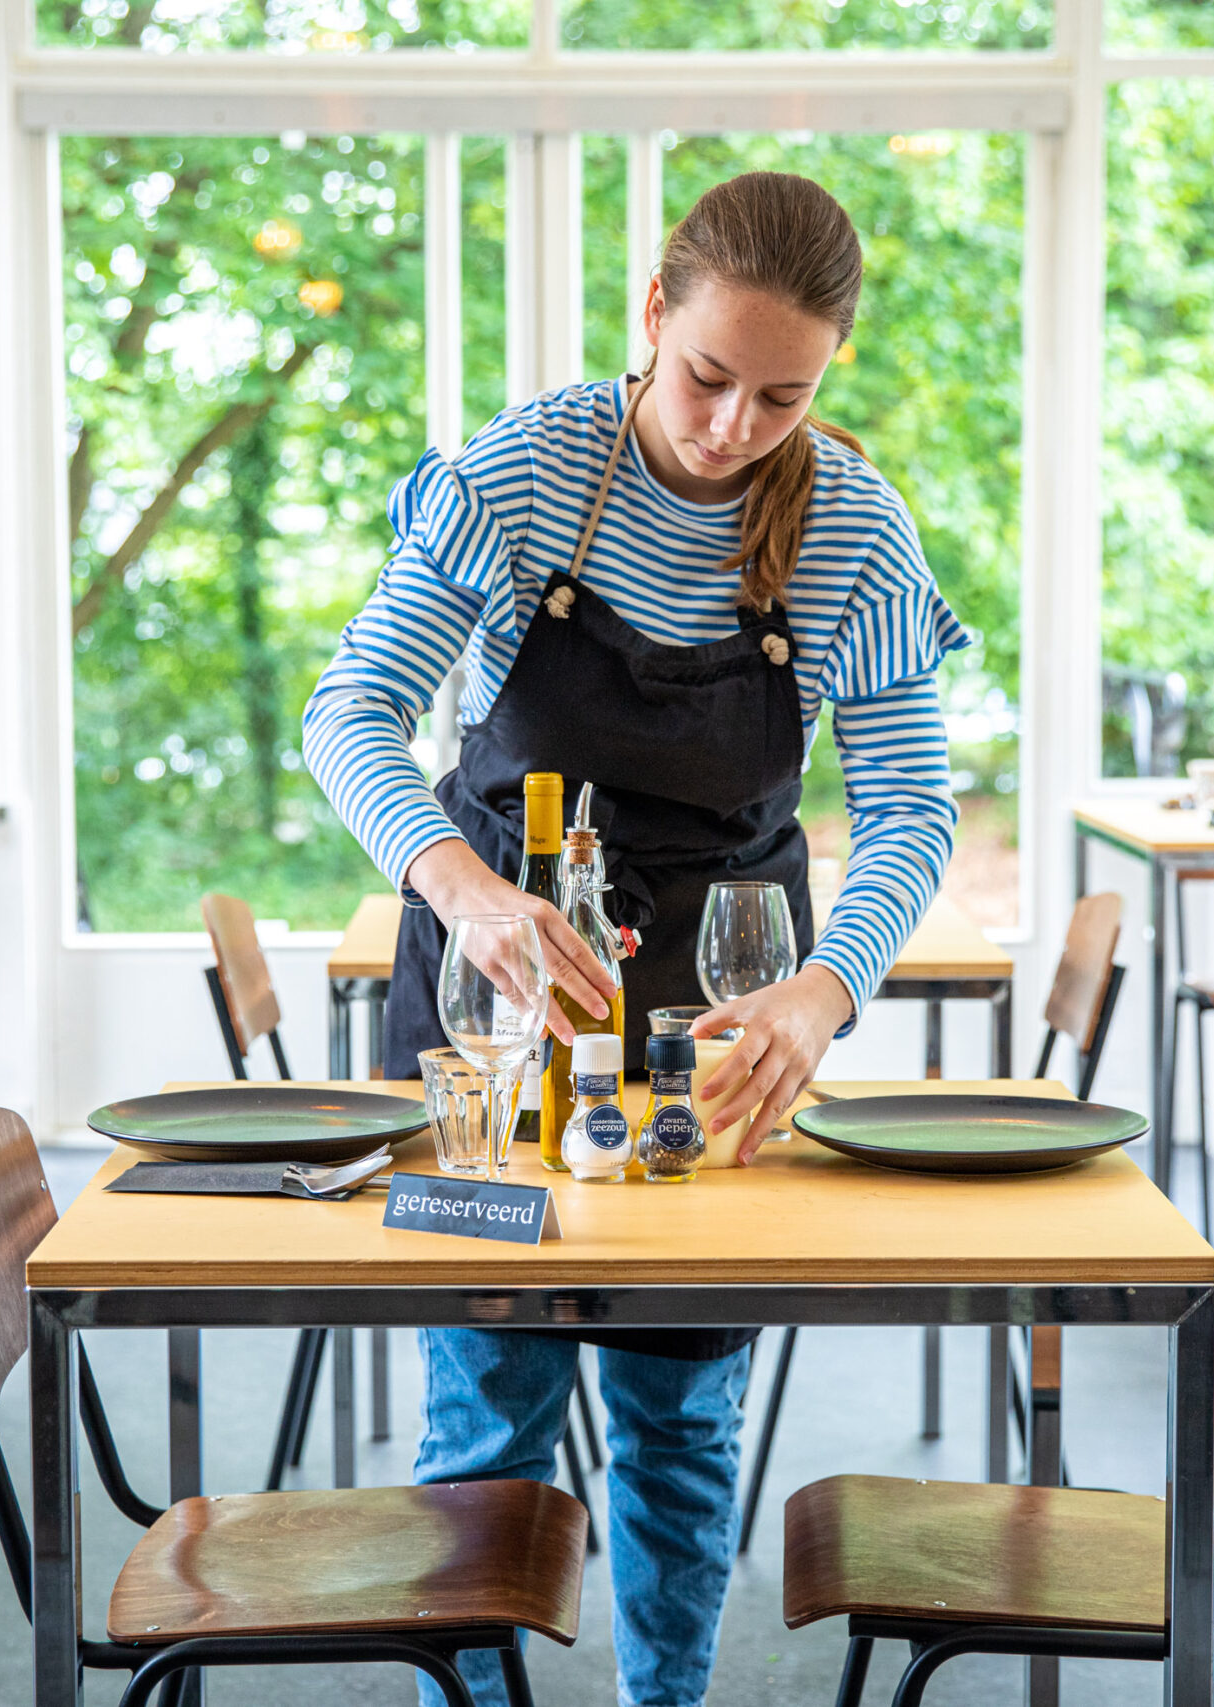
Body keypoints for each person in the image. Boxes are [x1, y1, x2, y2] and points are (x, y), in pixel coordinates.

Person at [301, 171, 966, 1707]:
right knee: (488, 1422)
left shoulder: (855, 530)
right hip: (488, 1016)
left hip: (711, 1036)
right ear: (650, 317)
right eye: (708, 378)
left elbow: (915, 811)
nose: (734, 428)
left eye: (782, 396)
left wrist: (822, 989)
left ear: (830, 376)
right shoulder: (524, 473)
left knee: (677, 1425)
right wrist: (465, 891)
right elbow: (351, 716)